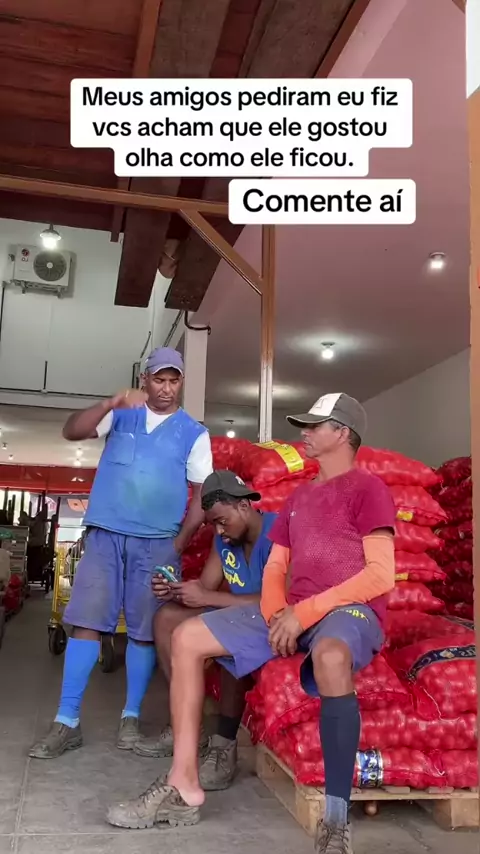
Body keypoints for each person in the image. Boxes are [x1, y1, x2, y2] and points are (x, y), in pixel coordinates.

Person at [107, 393, 396, 854]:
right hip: (293, 610)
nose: (304, 433)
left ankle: (336, 818)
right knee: (186, 636)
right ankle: (182, 784)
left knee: (330, 655)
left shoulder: (368, 489)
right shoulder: (299, 497)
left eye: (315, 425)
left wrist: (303, 613)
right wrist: (277, 612)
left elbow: (380, 576)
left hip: (348, 610)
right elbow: (277, 568)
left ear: (342, 433)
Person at [30, 347, 212, 760]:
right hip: (106, 536)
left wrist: (179, 542)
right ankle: (66, 721)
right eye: (159, 379)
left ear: (181, 383)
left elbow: (202, 494)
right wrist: (110, 402)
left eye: (174, 381)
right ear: (145, 379)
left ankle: (130, 717)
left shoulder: (193, 433)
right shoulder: (121, 415)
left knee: (145, 630)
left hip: (158, 542)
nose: (166, 388)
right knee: (86, 622)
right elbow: (72, 431)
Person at [133, 469, 276, 793]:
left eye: (223, 522)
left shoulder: (277, 533)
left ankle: (224, 744)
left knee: (225, 632)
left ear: (244, 506)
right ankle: (188, 725)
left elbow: (278, 601)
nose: (220, 532)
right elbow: (206, 587)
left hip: (272, 620)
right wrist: (175, 590)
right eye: (214, 525)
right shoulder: (224, 541)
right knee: (166, 618)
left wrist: (208, 598)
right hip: (237, 615)